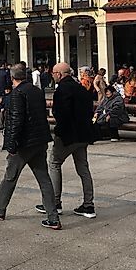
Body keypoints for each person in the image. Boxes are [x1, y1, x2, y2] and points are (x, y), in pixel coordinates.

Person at [0, 63, 61, 230]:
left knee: (10, 176)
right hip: (39, 140)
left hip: (24, 143)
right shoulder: (36, 91)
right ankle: (53, 217)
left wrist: (11, 145)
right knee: (44, 179)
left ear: (12, 78)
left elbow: (16, 121)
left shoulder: (17, 94)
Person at [42, 61, 97, 219]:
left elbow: (60, 113)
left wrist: (59, 132)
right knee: (83, 168)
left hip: (68, 135)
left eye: (53, 73)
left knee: (54, 163)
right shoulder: (81, 88)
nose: (53, 75)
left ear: (59, 74)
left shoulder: (62, 90)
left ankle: (55, 203)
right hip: (84, 134)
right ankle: (88, 205)